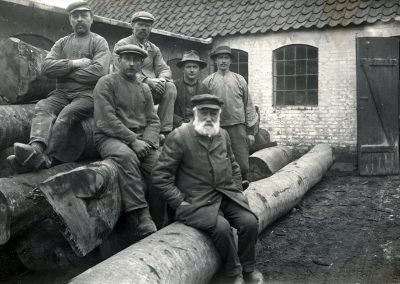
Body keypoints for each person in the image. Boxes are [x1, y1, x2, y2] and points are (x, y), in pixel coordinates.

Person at [152, 94, 264, 284]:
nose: (209, 118)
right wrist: (179, 201)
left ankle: (248, 268)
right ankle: (234, 273)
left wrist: (237, 191)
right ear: (195, 114)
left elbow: (234, 165)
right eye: (204, 113)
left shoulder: (223, 134)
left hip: (226, 195)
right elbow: (160, 176)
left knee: (249, 222)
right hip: (196, 201)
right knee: (222, 228)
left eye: (214, 113)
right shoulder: (179, 136)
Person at [9, 0, 110, 173]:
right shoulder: (62, 43)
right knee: (42, 106)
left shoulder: (99, 42)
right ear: (70, 20)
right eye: (75, 16)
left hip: (88, 95)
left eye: (83, 16)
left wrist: (63, 71)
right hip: (61, 93)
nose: (79, 19)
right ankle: (36, 148)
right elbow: (46, 68)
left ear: (91, 19)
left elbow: (99, 71)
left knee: (66, 115)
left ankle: (47, 157)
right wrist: (75, 63)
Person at [94, 44, 160, 239]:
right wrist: (133, 141)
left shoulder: (144, 88)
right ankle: (141, 215)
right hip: (109, 137)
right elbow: (106, 119)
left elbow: (153, 120)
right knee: (127, 157)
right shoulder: (106, 83)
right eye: (127, 59)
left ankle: (162, 217)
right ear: (118, 60)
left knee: (160, 166)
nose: (131, 63)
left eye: (136, 60)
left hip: (140, 139)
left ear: (141, 63)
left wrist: (147, 141)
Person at [113, 11, 177, 140]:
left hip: (151, 87)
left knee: (170, 87)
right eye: (140, 24)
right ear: (132, 25)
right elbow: (119, 70)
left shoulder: (154, 49)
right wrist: (147, 80)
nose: (144, 28)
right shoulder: (122, 45)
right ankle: (136, 131)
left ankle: (164, 131)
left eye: (147, 25)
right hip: (128, 86)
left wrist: (161, 80)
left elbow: (164, 69)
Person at [203, 45, 258, 189]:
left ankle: (242, 187)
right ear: (215, 60)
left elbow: (248, 105)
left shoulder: (240, 80)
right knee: (218, 161)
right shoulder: (208, 82)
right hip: (217, 128)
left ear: (230, 61)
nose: (223, 61)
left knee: (243, 165)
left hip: (238, 127)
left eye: (226, 58)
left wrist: (250, 132)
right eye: (220, 58)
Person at [173, 50, 208, 128]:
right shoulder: (174, 86)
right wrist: (180, 122)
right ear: (182, 69)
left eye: (195, 67)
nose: (192, 70)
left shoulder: (204, 89)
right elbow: (167, 111)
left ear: (199, 69)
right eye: (188, 67)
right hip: (178, 127)